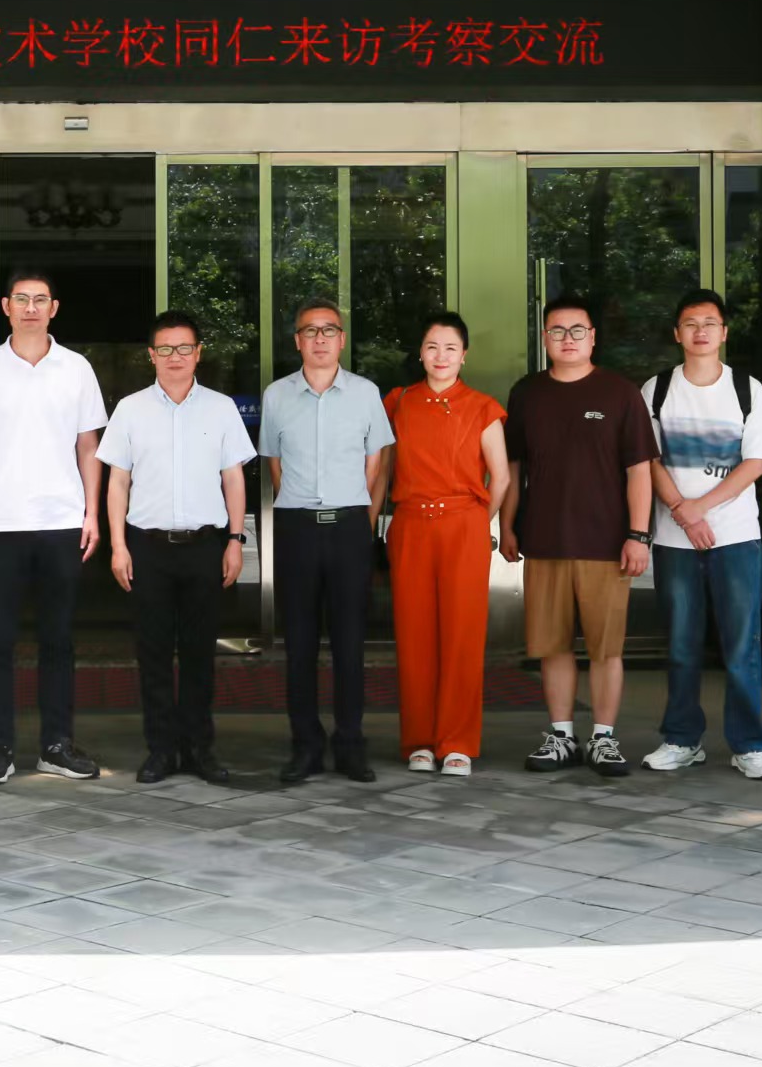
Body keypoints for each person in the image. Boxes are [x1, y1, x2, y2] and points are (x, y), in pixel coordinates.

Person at [0, 268, 108, 786]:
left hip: (63, 522)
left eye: (40, 300)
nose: (30, 308)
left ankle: (56, 746)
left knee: (58, 640)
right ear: (5, 306)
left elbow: (89, 446)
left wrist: (91, 512)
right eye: (21, 299)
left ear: (54, 308)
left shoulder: (77, 368)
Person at [499, 294, 656, 778]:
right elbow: (512, 467)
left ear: (593, 337)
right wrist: (506, 524)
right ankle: (562, 736)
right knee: (553, 645)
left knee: (607, 648)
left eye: (577, 330)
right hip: (543, 540)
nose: (567, 339)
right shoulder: (527, 393)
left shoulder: (620, 393)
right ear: (544, 338)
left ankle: (604, 738)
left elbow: (639, 471)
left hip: (606, 543)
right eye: (557, 331)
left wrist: (638, 535)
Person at [100, 310, 256, 785]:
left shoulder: (221, 408)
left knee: (199, 654)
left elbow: (234, 478)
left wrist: (235, 541)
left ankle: (200, 750)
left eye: (184, 348)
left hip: (205, 547)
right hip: (147, 549)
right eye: (165, 349)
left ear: (198, 353)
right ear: (151, 355)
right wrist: (118, 546)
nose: (175, 357)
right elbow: (117, 482)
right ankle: (161, 751)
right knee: (152, 654)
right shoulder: (130, 410)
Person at [639, 290, 762, 780]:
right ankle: (682, 739)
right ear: (677, 333)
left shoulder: (746, 388)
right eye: (691, 323)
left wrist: (699, 508)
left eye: (710, 323)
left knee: (742, 646)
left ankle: (749, 745)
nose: (701, 331)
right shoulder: (656, 389)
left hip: (735, 537)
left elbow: (755, 463)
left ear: (724, 332)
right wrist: (683, 511)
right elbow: (648, 460)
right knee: (681, 644)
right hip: (674, 539)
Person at [260, 298, 396, 784]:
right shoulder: (277, 395)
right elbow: (275, 464)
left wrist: (361, 519)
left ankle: (351, 744)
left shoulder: (365, 393)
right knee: (298, 644)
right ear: (297, 341)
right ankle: (305, 746)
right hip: (296, 527)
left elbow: (376, 464)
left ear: (342, 339)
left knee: (349, 643)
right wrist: (301, 506)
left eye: (329, 330)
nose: (320, 338)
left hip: (349, 528)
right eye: (310, 331)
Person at [373, 312, 508, 778]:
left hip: (463, 524)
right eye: (432, 346)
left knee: (462, 636)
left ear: (464, 355)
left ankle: (457, 743)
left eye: (450, 348)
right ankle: (419, 740)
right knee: (414, 636)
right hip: (411, 522)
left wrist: (477, 523)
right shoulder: (399, 402)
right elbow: (382, 468)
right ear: (420, 353)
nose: (441, 356)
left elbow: (501, 478)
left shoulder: (483, 407)